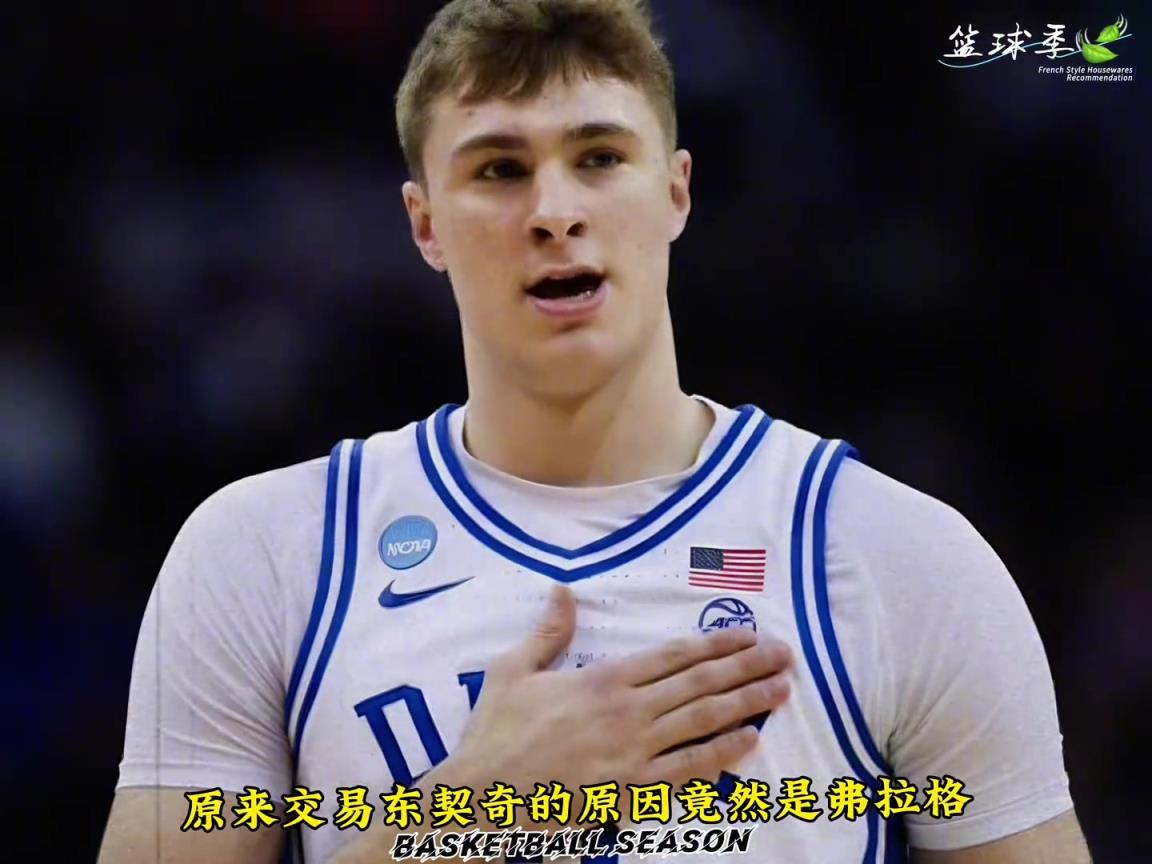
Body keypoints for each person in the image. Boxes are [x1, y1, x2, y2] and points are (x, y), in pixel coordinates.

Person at [98, 1, 1091, 862]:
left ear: (676, 192)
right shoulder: (264, 553)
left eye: (600, 158)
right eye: (499, 169)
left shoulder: (896, 556)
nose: (554, 211)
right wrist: (469, 814)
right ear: (424, 224)